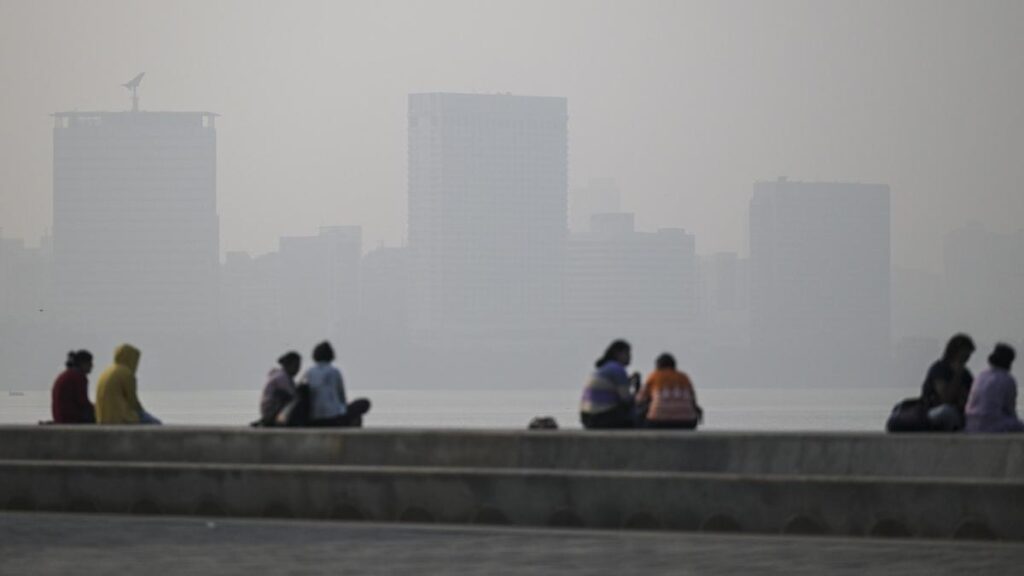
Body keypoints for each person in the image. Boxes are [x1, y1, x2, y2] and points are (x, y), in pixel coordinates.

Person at [300, 341, 370, 427]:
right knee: (364, 403)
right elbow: (341, 396)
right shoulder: (334, 372)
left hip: (313, 418)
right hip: (333, 418)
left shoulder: (309, 372)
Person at [920, 333, 976, 431]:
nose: (967, 357)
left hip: (959, 412)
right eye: (965, 353)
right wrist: (957, 375)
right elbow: (945, 398)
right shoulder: (939, 368)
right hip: (934, 411)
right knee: (947, 412)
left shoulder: (966, 374)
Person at [95, 344, 161, 425]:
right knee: (156, 424)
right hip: (120, 417)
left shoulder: (107, 371)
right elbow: (133, 401)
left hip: (103, 417)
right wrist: (142, 412)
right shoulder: (126, 373)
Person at [580, 339, 639, 429]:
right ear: (617, 354)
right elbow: (626, 399)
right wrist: (638, 392)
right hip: (601, 418)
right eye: (627, 353)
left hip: (586, 418)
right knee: (634, 408)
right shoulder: (617, 369)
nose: (630, 357)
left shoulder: (605, 368)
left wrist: (629, 382)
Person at [965, 344, 1023, 433]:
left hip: (971, 423)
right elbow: (1010, 409)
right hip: (992, 424)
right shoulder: (1007, 379)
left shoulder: (981, 375)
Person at [636, 353, 702, 430]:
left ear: (658, 366)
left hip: (658, 422)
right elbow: (693, 401)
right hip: (687, 422)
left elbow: (639, 400)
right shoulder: (684, 377)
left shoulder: (655, 376)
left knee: (638, 414)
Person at [51, 350, 96, 424]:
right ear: (82, 364)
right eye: (90, 363)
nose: (92, 366)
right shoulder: (79, 377)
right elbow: (83, 402)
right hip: (70, 419)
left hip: (59, 417)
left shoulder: (66, 374)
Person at [258, 351, 301, 426]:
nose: (298, 369)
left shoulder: (282, 375)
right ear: (288, 365)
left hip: (269, 411)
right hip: (271, 412)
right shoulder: (282, 378)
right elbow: (294, 396)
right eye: (296, 366)